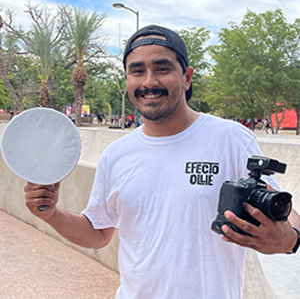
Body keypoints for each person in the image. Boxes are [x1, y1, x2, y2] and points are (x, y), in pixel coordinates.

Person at [24, 25, 300, 299]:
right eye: (137, 70)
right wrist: (51, 214)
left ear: (187, 77)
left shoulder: (231, 139)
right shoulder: (116, 154)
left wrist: (290, 239)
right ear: (127, 79)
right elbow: (98, 232)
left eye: (162, 68)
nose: (149, 81)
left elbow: (282, 210)